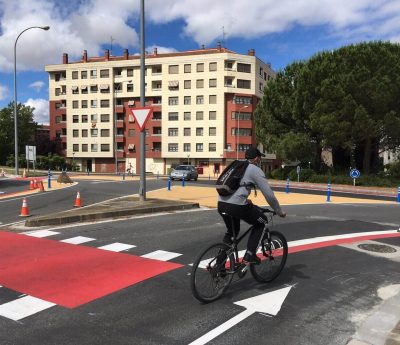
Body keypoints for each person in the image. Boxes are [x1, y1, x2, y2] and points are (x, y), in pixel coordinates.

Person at [218, 147, 286, 264]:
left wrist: (245, 198)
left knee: (232, 232)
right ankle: (250, 255)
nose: (259, 160)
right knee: (262, 222)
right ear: (256, 158)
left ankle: (219, 265)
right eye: (259, 158)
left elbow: (234, 185)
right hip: (237, 206)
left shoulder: (236, 166)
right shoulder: (255, 170)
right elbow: (269, 195)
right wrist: (279, 211)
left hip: (221, 204)